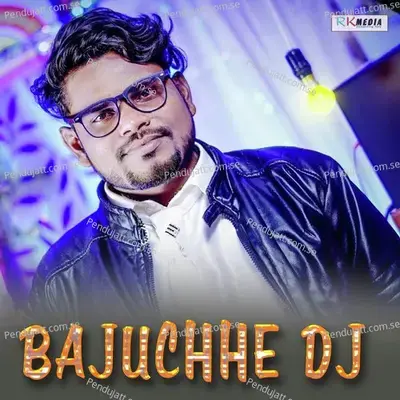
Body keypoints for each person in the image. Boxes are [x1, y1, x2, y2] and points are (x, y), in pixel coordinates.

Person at [27, 7, 400, 321]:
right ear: (77, 144)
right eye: (102, 115)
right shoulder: (64, 283)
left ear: (184, 93)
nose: (132, 122)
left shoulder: (306, 180)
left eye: (144, 92)